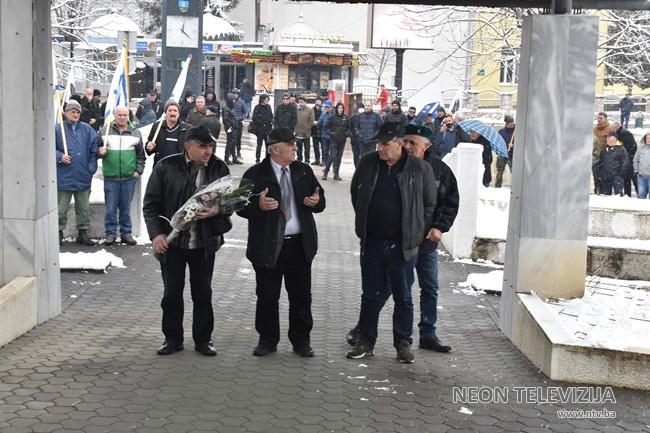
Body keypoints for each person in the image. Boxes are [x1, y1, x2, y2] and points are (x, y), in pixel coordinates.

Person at [347, 124, 459, 353]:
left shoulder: (436, 170)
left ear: (425, 146)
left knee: (427, 288)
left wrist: (436, 227)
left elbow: (441, 203)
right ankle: (364, 333)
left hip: (423, 241)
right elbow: (357, 195)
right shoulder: (371, 163)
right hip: (387, 243)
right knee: (381, 289)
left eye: (412, 143)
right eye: (405, 141)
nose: (408, 146)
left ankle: (426, 334)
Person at [143, 125, 233, 357]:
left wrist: (217, 209)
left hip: (203, 243)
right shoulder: (166, 166)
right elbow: (150, 205)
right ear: (187, 147)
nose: (208, 151)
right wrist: (156, 234)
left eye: (210, 146)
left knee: (203, 294)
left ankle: (203, 340)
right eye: (202, 146)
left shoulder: (219, 167)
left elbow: (232, 201)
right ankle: (172, 339)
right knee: (171, 294)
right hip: (172, 243)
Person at [236, 127, 326, 358]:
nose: (296, 147)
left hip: (299, 245)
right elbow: (239, 206)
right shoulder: (255, 174)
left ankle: (301, 340)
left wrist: (316, 201)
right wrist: (258, 206)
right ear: (275, 150)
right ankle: (267, 340)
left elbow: (321, 199)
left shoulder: (303, 171)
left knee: (301, 297)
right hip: (267, 245)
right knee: (267, 296)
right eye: (290, 144)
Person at [98, 106, 145, 246]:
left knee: (126, 208)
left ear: (128, 116)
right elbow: (95, 150)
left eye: (125, 115)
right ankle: (110, 234)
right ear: (114, 115)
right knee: (110, 208)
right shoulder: (104, 131)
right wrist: (99, 151)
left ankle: (126, 233)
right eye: (119, 115)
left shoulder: (136, 133)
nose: (122, 117)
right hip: (110, 177)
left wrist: (138, 171)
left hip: (129, 178)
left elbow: (141, 155)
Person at [55, 100, 99, 246]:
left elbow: (94, 149)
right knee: (61, 208)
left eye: (77, 112)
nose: (75, 114)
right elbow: (48, 147)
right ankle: (58, 232)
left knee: (83, 208)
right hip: (64, 176)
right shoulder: (58, 129)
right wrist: (59, 156)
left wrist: (91, 168)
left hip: (83, 175)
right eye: (72, 111)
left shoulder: (87, 129)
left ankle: (83, 233)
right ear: (65, 113)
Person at [146, 100, 191, 167]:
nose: (172, 113)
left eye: (175, 111)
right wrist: (149, 147)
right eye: (170, 110)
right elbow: (150, 145)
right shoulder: (157, 126)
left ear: (179, 113)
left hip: (180, 168)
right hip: (161, 167)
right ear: (165, 113)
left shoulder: (187, 129)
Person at [323, 102, 350, 181]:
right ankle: (326, 172)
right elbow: (326, 127)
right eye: (339, 108)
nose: (340, 110)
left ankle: (336, 174)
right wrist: (331, 133)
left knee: (339, 157)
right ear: (336, 109)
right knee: (332, 155)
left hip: (342, 140)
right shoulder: (332, 117)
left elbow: (349, 128)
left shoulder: (345, 117)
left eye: (342, 108)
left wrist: (347, 134)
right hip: (334, 140)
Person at [611, 121, 638, 197]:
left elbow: (631, 147)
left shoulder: (624, 134)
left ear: (616, 127)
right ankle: (627, 195)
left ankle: (631, 194)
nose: (612, 130)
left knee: (630, 180)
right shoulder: (621, 133)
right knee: (627, 180)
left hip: (629, 161)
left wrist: (626, 158)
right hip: (627, 160)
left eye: (613, 128)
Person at [600, 131, 629, 196]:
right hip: (605, 176)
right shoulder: (605, 148)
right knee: (605, 195)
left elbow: (625, 162)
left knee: (618, 194)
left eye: (609, 138)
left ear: (614, 139)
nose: (607, 140)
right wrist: (602, 172)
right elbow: (601, 161)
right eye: (607, 138)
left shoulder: (621, 149)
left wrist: (620, 174)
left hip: (617, 176)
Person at [250, 94, 273, 163]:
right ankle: (257, 159)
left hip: (267, 130)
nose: (267, 100)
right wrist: (261, 123)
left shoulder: (268, 107)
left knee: (268, 145)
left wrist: (271, 121)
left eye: (267, 99)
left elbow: (271, 115)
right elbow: (254, 117)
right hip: (260, 130)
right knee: (259, 145)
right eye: (266, 99)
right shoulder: (257, 107)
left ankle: (267, 159)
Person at [593, 112, 612, 194]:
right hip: (595, 156)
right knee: (596, 176)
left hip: (605, 156)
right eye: (598, 118)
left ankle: (604, 192)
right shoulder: (595, 129)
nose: (599, 120)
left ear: (605, 119)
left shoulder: (610, 129)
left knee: (604, 177)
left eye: (601, 118)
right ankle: (597, 191)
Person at [222, 93, 242, 165]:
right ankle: (227, 158)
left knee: (234, 143)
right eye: (233, 99)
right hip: (230, 128)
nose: (234, 101)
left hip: (234, 127)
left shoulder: (231, 107)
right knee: (230, 143)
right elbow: (225, 120)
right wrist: (229, 127)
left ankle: (234, 158)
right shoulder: (226, 108)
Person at [495, 115, 515, 188]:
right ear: (507, 123)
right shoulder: (501, 132)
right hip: (502, 155)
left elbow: (521, 142)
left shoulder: (516, 131)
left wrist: (513, 145)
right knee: (499, 173)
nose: (512, 124)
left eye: (513, 122)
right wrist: (498, 151)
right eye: (511, 122)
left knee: (514, 173)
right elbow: (497, 142)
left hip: (512, 155)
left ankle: (515, 188)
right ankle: (497, 188)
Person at [294, 96, 315, 164]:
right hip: (298, 132)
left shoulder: (310, 110)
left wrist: (307, 127)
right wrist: (295, 128)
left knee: (307, 148)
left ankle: (307, 160)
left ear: (305, 102)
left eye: (302, 101)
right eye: (300, 101)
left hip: (306, 133)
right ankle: (299, 158)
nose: (301, 103)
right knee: (298, 147)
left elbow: (312, 120)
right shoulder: (296, 110)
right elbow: (294, 119)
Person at [316, 100, 333, 167]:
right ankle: (325, 163)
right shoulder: (323, 114)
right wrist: (317, 123)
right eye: (326, 107)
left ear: (331, 107)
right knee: (325, 150)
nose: (327, 108)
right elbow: (320, 123)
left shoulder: (334, 114)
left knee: (332, 152)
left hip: (332, 136)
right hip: (324, 136)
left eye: (328, 107)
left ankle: (332, 164)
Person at [633, 133, 650, 199]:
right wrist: (636, 171)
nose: (648, 140)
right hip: (641, 176)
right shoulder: (640, 148)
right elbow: (635, 160)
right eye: (647, 138)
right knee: (641, 195)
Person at [232, 88, 247, 159]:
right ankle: (231, 152)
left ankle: (238, 151)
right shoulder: (231, 102)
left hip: (239, 122)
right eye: (234, 94)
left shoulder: (242, 102)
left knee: (238, 138)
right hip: (232, 123)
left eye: (236, 94)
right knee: (232, 138)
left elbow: (244, 112)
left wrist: (241, 117)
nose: (235, 95)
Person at [349, 102, 365, 167]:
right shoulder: (353, 117)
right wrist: (351, 135)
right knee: (357, 156)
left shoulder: (366, 117)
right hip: (356, 140)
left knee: (359, 156)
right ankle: (358, 169)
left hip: (361, 140)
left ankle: (359, 169)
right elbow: (349, 127)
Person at [311, 99, 323, 166]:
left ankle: (324, 160)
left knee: (323, 147)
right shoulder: (312, 110)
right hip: (314, 130)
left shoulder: (323, 110)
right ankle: (317, 159)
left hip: (322, 131)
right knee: (316, 146)